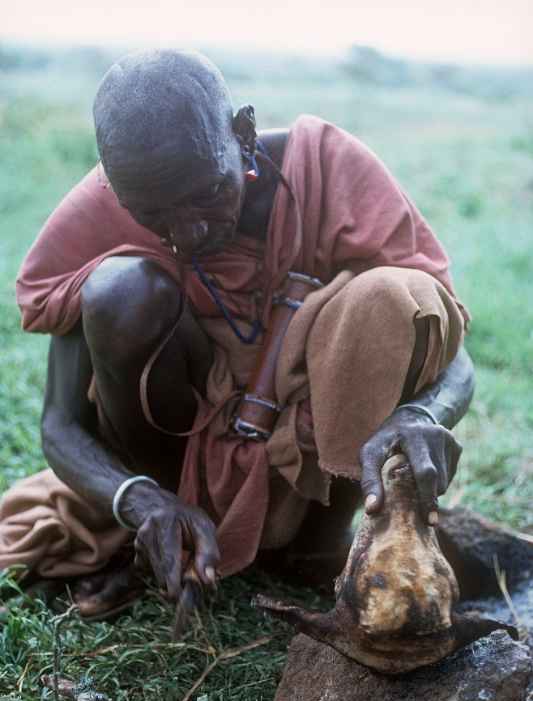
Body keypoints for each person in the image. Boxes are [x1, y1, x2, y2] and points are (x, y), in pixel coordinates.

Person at [0, 49, 474, 619]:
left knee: (394, 296)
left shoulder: (327, 168)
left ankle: (319, 546)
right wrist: (142, 502)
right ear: (120, 194)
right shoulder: (105, 208)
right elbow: (59, 424)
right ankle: (169, 539)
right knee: (119, 291)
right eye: (155, 216)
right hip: (173, 460)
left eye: (209, 193)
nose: (189, 232)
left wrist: (423, 414)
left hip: (311, 478)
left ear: (243, 132)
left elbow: (452, 358)